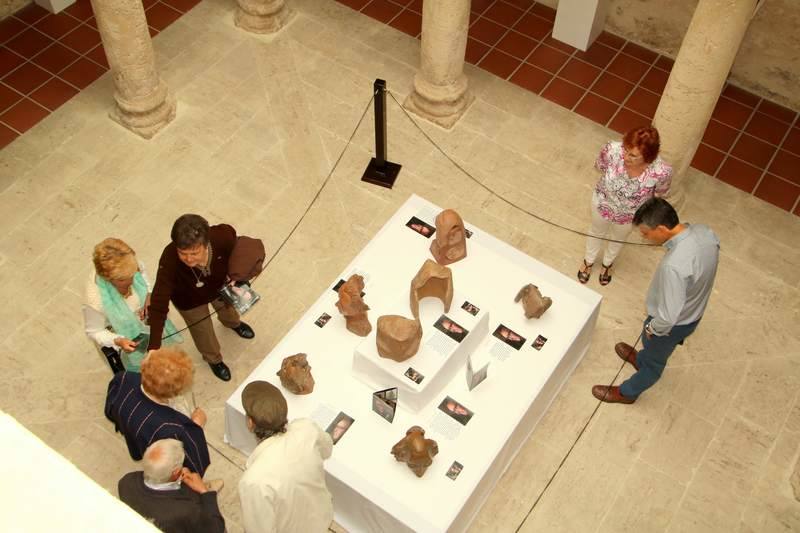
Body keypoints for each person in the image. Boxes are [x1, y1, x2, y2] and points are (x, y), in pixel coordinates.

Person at [592, 198, 719, 404]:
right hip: (694, 307)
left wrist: (653, 329)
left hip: (674, 323)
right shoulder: (704, 232)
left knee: (654, 364)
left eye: (645, 233)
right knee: (650, 352)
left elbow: (668, 317)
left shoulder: (674, 266)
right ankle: (642, 359)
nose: (644, 238)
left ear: (661, 228)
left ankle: (628, 392)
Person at [147, 214, 256, 382]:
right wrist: (154, 346)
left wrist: (239, 274)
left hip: (220, 287)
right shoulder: (169, 258)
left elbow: (239, 245)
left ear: (206, 244)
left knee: (229, 311)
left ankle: (233, 324)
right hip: (189, 300)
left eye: (194, 253)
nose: (188, 259)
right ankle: (214, 359)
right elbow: (159, 301)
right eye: (182, 253)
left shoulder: (222, 235)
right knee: (202, 331)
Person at [578, 126, 672, 286]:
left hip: (630, 215)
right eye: (626, 149)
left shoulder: (662, 172)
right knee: (596, 231)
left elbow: (660, 192)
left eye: (633, 155)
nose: (625, 156)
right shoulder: (611, 150)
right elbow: (599, 166)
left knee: (618, 238)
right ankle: (588, 261)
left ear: (648, 157)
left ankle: (607, 264)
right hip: (603, 203)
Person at [239, 380, 333, 533]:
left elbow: (258, 529)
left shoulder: (253, 481)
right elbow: (327, 450)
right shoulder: (307, 428)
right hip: (321, 517)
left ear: (250, 423)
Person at [105, 347, 211, 476]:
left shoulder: (124, 378)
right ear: (175, 392)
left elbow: (110, 410)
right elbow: (191, 460)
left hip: (137, 438)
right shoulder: (174, 427)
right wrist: (196, 425)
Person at [83, 238, 181, 373]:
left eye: (133, 273)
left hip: (146, 327)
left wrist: (149, 294)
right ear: (108, 279)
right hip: (124, 339)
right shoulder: (95, 301)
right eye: (123, 279)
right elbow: (94, 331)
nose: (132, 280)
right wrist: (118, 341)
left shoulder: (130, 266)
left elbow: (144, 278)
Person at [118, 439, 225, 533]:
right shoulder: (187, 510)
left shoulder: (126, 482)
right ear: (176, 472)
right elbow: (216, 528)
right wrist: (205, 493)